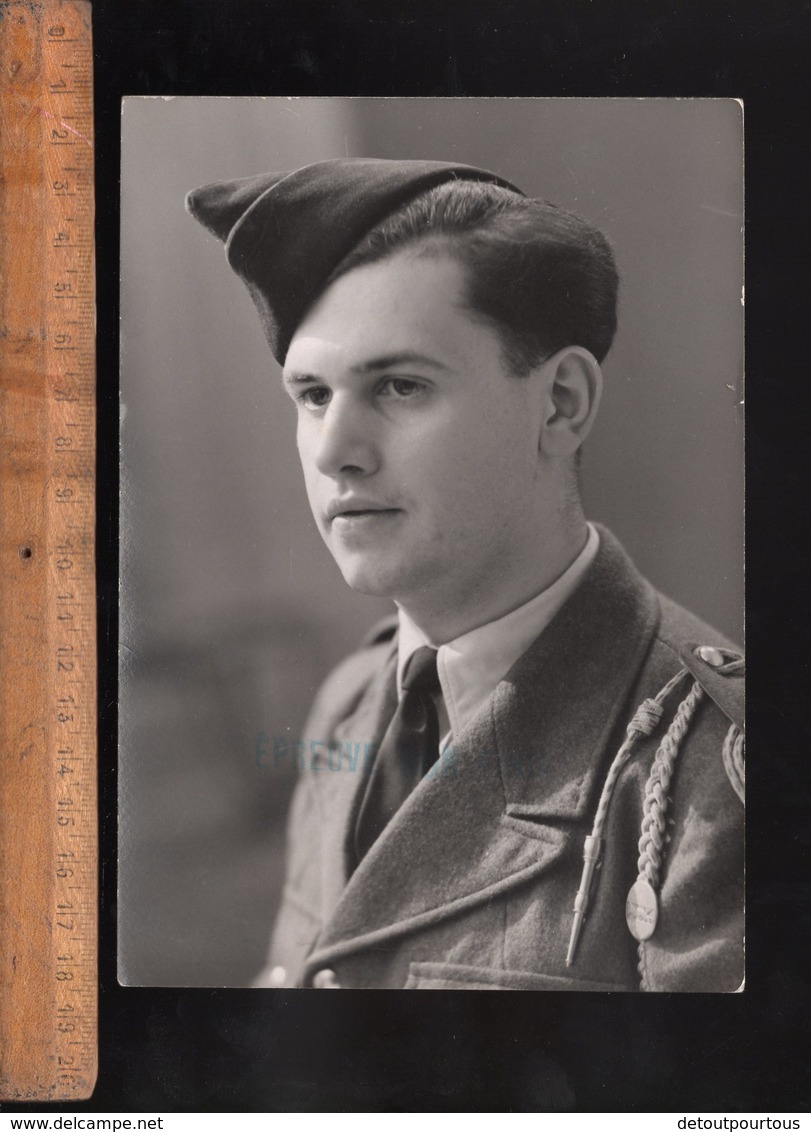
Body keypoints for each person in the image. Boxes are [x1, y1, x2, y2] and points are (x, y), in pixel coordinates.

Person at [186, 157, 744, 992]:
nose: (335, 451)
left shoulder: (709, 775)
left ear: (559, 402)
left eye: (400, 386)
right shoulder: (348, 702)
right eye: (310, 395)